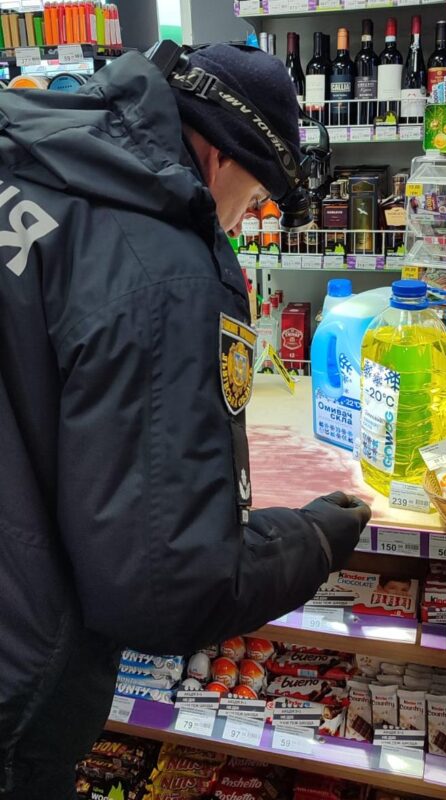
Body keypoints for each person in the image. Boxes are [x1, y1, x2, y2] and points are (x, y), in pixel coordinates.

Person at [0, 42, 371, 799]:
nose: (244, 218)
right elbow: (163, 585)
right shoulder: (159, 267)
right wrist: (310, 540)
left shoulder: (29, 159)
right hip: (17, 687)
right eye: (255, 196)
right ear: (222, 155)